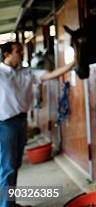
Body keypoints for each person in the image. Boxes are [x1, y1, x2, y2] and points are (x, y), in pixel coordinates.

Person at [0, 41, 75, 206]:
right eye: (18, 51)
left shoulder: (27, 72)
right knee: (8, 166)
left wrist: (72, 63)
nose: (21, 53)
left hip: (21, 121)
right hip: (4, 124)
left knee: (15, 164)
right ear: (6, 55)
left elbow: (51, 74)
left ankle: (9, 202)